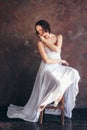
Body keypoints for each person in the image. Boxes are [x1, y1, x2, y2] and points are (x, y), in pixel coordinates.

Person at [7, 20, 80, 122]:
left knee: (74, 73)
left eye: (41, 29)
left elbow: (57, 50)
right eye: (38, 31)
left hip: (58, 68)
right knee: (58, 82)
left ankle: (60, 93)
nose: (40, 32)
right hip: (47, 69)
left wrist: (47, 40)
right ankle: (48, 100)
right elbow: (47, 60)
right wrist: (60, 59)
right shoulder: (40, 43)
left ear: (46, 27)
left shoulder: (58, 37)